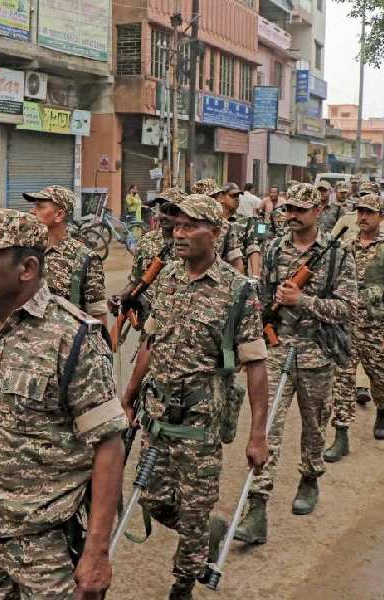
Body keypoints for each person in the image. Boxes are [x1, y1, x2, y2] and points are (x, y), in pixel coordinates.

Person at [0, 208, 126, 599]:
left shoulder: (73, 338)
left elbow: (108, 445)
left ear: (27, 268)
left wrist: (97, 552)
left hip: (47, 549)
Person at [121, 193, 269, 599]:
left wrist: (258, 435)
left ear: (215, 233)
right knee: (152, 498)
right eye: (176, 227)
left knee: (193, 508)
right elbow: (150, 341)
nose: (179, 234)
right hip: (158, 416)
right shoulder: (167, 277)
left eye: (189, 227)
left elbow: (256, 364)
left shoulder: (238, 291)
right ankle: (208, 532)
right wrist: (129, 395)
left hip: (201, 426)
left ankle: (182, 586)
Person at [234, 183, 356, 546]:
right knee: (266, 428)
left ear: (318, 211)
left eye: (301, 210)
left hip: (318, 354)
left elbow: (348, 309)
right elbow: (264, 302)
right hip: (278, 352)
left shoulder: (337, 255)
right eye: (289, 209)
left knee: (315, 429)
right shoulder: (273, 249)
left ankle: (310, 477)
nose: (292, 216)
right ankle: (257, 507)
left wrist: (304, 301)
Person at [330, 193, 384, 454]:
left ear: (380, 216)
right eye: (359, 212)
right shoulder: (345, 246)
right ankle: (341, 435)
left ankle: (383, 410)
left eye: (369, 212)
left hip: (378, 327)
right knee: (342, 380)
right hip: (347, 327)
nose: (363, 217)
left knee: (381, 379)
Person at [27, 185, 109, 326]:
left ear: (59, 215)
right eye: (34, 206)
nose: (32, 211)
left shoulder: (84, 258)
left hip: (63, 343)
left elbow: (98, 316)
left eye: (40, 207)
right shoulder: (24, 250)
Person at [108, 187, 181, 325]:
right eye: (163, 210)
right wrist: (120, 296)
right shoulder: (147, 241)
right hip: (149, 319)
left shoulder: (190, 243)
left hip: (178, 320)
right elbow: (136, 280)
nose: (164, 215)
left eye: (172, 211)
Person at [191, 178, 245, 272]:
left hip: (216, 281)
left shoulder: (226, 226)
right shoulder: (183, 224)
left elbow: (237, 262)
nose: (215, 200)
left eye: (215, 197)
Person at [217, 182, 260, 275]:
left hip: (238, 275)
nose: (237, 198)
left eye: (238, 196)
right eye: (233, 195)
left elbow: (253, 249)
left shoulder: (246, 221)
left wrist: (256, 276)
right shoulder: (214, 221)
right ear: (221, 197)